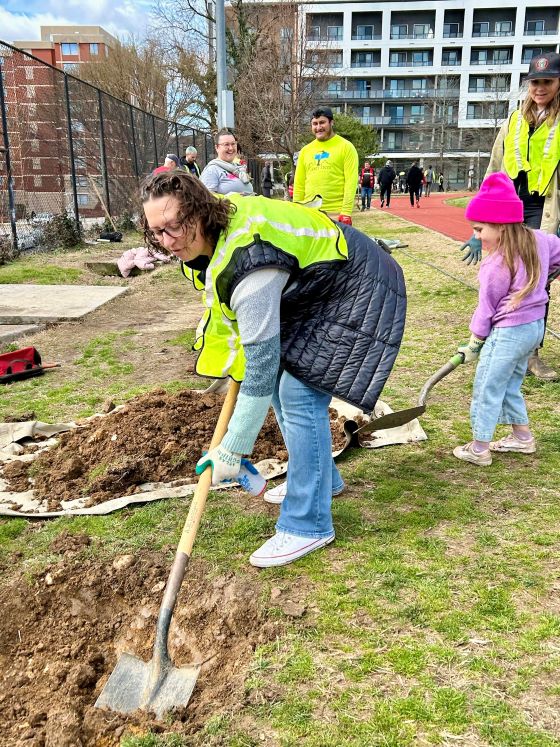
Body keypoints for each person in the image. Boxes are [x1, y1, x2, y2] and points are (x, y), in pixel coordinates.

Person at [141, 171, 406, 567]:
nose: (167, 241)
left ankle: (308, 524)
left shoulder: (251, 267)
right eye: (156, 232)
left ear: (199, 212)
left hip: (354, 283)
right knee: (286, 381)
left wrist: (233, 448)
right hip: (313, 280)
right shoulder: (215, 233)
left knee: (298, 393)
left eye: (174, 227)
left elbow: (260, 368)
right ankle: (320, 479)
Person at [459, 52, 560, 381]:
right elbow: (494, 170)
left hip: (545, 210)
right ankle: (499, 340)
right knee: (501, 275)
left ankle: (530, 353)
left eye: (547, 81)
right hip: (511, 211)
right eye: (535, 82)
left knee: (536, 280)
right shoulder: (515, 120)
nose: (540, 88)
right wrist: (479, 227)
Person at [452, 173, 560, 467]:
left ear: (499, 224)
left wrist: (475, 341)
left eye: (479, 229)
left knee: (487, 385)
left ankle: (479, 447)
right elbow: (558, 252)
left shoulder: (496, 263)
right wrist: (548, 275)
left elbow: (486, 309)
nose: (476, 236)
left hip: (509, 332)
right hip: (534, 329)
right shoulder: (538, 239)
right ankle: (522, 438)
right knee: (510, 383)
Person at [293, 106, 358, 224]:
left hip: (336, 213)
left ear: (331, 123)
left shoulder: (346, 147)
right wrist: (297, 209)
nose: (318, 127)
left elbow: (351, 182)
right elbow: (299, 184)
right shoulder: (305, 151)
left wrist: (346, 212)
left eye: (322, 122)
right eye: (315, 124)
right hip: (310, 214)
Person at [200, 128, 253, 195]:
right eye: (226, 144)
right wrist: (233, 198)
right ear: (217, 148)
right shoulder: (212, 170)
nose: (231, 148)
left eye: (233, 144)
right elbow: (207, 200)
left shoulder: (238, 168)